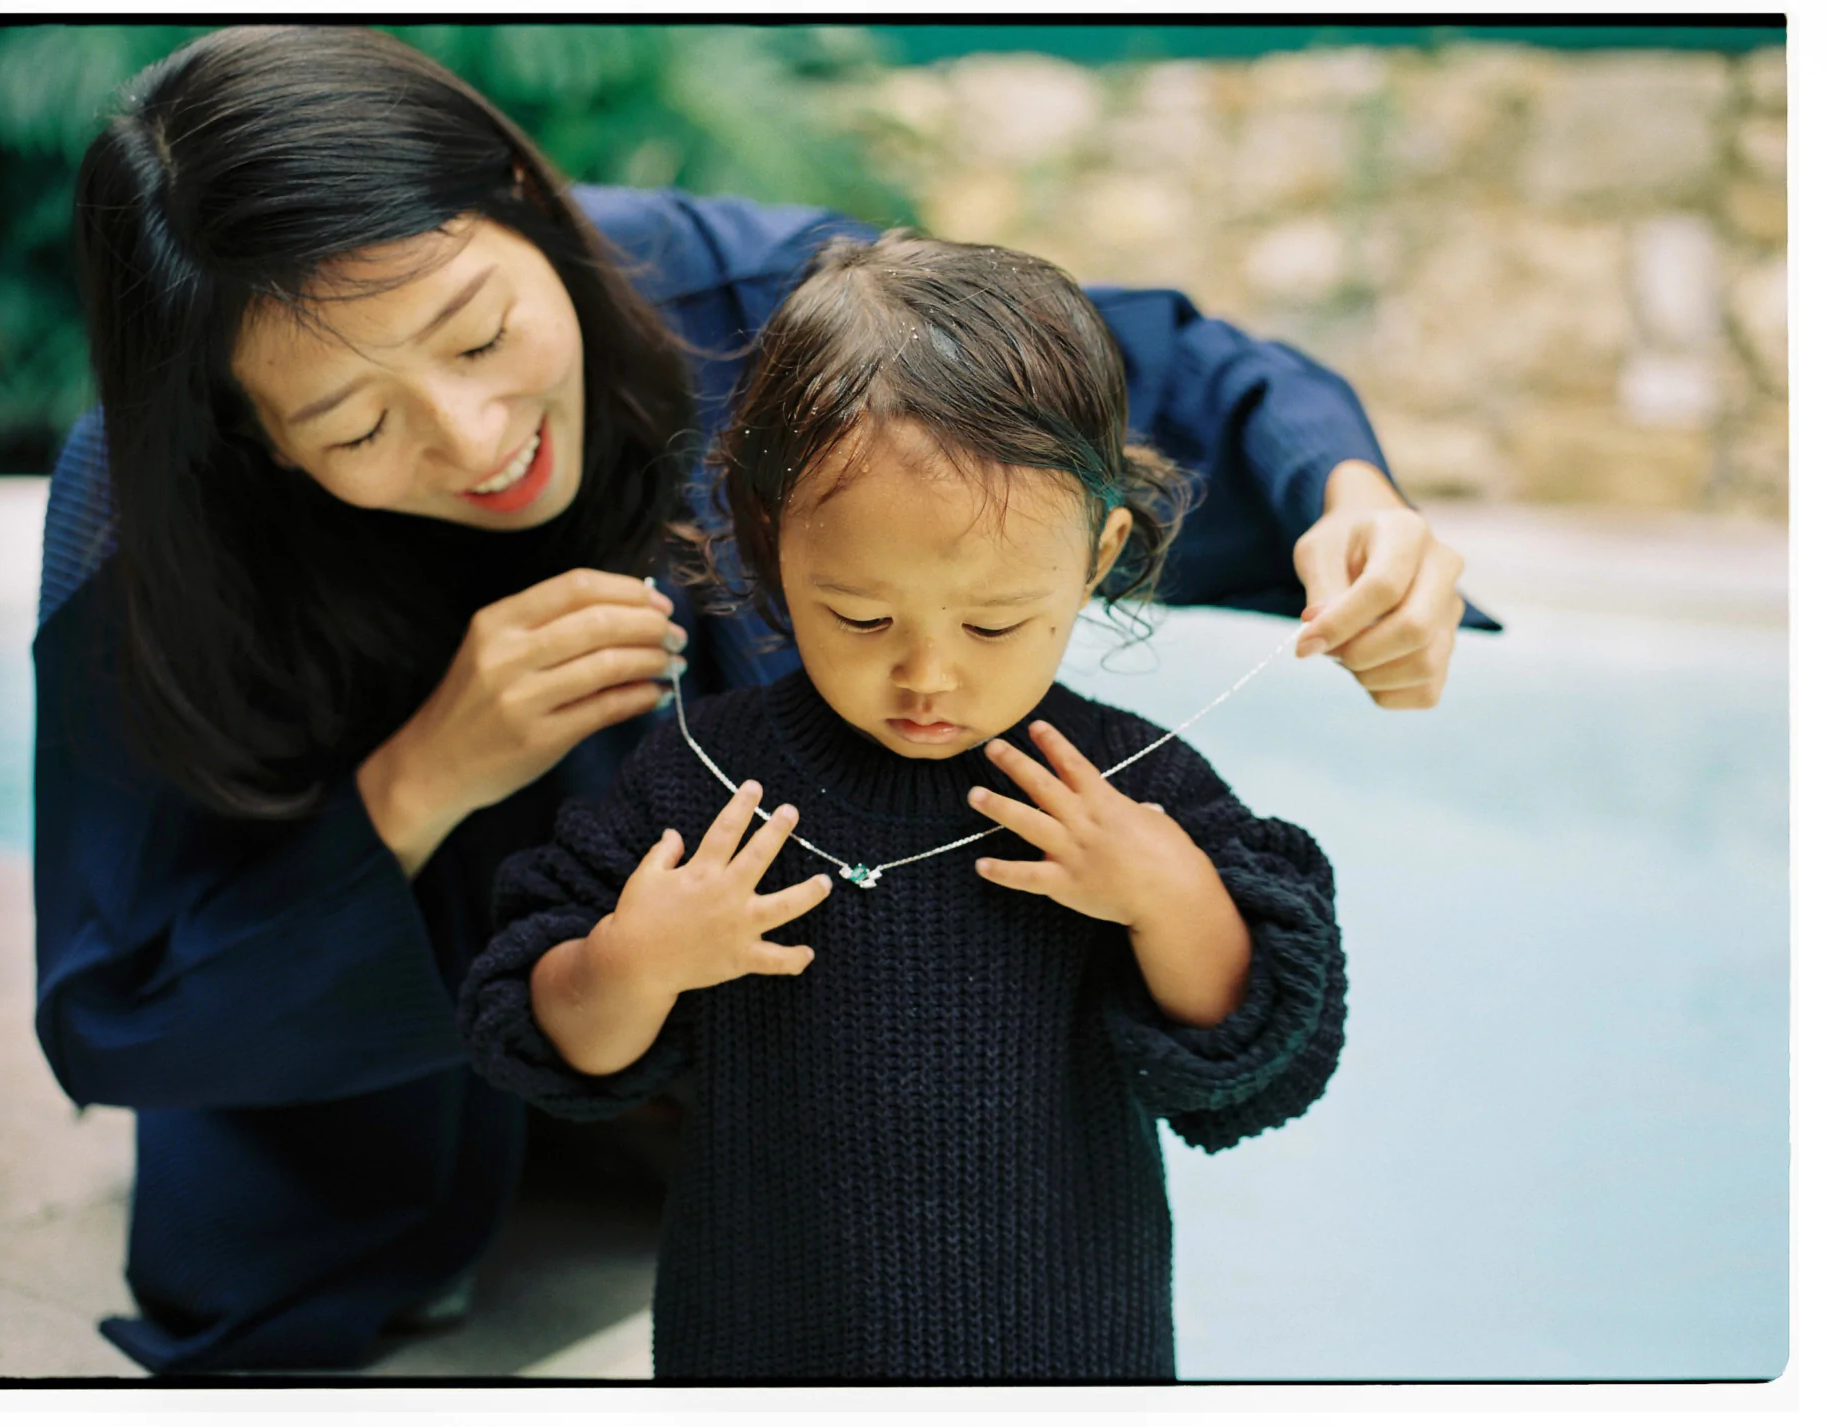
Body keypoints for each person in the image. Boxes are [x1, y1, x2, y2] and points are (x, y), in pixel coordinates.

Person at [34, 24, 1483, 1374]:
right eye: (352, 421)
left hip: (796, 1092)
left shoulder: (749, 309)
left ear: (528, 202)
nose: (476, 438)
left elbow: (1176, 371)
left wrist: (1349, 499)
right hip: (408, 1073)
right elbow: (120, 997)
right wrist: (428, 771)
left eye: (478, 335)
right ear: (248, 435)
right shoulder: (155, 525)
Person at [457, 233, 1344, 1381]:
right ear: (775, 545)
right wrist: (636, 958)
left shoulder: (1127, 791)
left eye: (992, 624)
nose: (929, 675)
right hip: (764, 1343)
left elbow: (1262, 1049)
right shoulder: (708, 779)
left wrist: (1170, 896)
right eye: (864, 618)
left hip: (1066, 1351)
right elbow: (537, 1034)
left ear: (1099, 552)